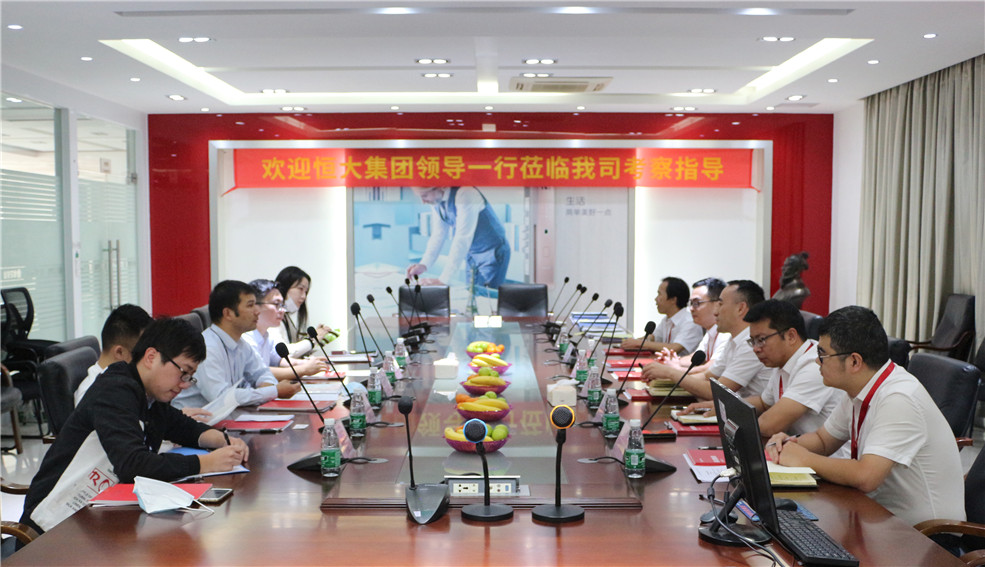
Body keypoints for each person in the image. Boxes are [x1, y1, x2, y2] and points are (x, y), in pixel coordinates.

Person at [20, 317, 249, 534]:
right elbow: (133, 464)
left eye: (190, 376)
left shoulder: (148, 393)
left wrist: (222, 440)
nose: (185, 384)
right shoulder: (114, 391)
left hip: (97, 515)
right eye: (183, 372)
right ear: (151, 357)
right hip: (53, 526)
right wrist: (205, 463)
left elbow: (180, 425)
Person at [766, 306, 965, 526]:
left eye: (822, 355)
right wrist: (788, 445)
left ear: (854, 362)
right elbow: (823, 440)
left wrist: (804, 458)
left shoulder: (899, 398)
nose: (816, 362)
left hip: (926, 534)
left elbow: (866, 476)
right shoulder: (859, 387)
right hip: (877, 516)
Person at [681, 299, 846, 443]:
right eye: (752, 341)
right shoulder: (782, 362)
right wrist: (723, 406)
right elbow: (763, 403)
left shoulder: (815, 365)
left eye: (761, 340)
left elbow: (769, 425)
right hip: (791, 451)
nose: (756, 349)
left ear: (791, 336)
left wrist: (728, 418)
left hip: (822, 462)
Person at [172, 280, 300, 411]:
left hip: (226, 415)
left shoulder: (240, 343)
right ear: (228, 313)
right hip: (196, 419)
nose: (257, 311)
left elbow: (262, 373)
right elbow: (221, 397)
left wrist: (268, 388)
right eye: (250, 305)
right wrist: (272, 391)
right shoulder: (208, 348)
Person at [646, 280, 770, 400]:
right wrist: (665, 377)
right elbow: (707, 376)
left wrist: (670, 373)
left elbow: (715, 391)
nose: (716, 312)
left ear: (740, 308)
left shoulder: (750, 344)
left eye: (720, 304)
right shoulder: (734, 340)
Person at [405, 186, 510, 289]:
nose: (423, 201)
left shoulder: (466, 194)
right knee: (471, 294)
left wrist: (444, 280)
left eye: (425, 195)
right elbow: (438, 235)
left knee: (486, 296)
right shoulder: (436, 201)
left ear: (440, 187)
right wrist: (424, 264)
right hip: (472, 253)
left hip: (491, 252)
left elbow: (462, 238)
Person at [643, 277, 730, 377]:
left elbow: (711, 368)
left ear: (717, 304)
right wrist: (672, 360)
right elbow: (693, 357)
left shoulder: (726, 334)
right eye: (691, 303)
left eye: (697, 303)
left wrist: (675, 369)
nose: (691, 308)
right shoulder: (711, 331)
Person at [243, 279, 327, 380]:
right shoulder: (245, 337)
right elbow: (258, 372)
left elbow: (278, 360)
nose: (282, 310)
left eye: (282, 305)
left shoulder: (265, 335)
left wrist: (305, 363)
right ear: (254, 306)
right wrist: (303, 369)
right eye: (276, 304)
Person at [74, 304, 152, 406]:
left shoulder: (127, 382)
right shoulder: (93, 395)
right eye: (142, 353)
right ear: (119, 352)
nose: (149, 361)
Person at [621, 277, 703, 355]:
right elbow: (654, 337)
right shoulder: (667, 319)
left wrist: (640, 343)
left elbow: (673, 348)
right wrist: (633, 342)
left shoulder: (690, 321)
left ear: (673, 299)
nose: (656, 299)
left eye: (659, 294)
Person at [275, 266, 335, 357]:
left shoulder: (286, 317)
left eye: (306, 291)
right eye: (300, 289)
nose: (304, 296)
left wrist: (314, 338)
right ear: (284, 288)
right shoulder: (273, 318)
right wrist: (312, 340)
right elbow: (285, 353)